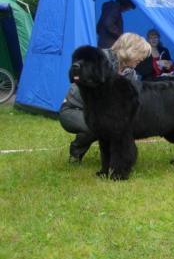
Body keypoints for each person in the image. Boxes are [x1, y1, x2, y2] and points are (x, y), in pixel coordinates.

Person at [59, 33, 151, 163]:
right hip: (74, 109)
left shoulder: (130, 73)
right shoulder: (98, 59)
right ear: (131, 50)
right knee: (100, 124)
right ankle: (76, 152)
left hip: (98, 111)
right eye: (141, 54)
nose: (142, 59)